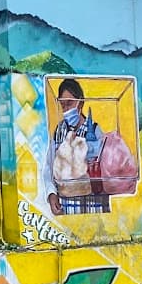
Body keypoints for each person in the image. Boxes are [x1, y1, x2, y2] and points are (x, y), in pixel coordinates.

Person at [46, 78, 108, 216]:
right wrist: (51, 193)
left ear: (81, 102)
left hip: (94, 206)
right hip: (67, 206)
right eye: (63, 105)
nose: (66, 109)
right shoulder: (59, 131)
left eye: (70, 103)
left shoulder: (95, 131)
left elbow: (105, 168)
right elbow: (49, 166)